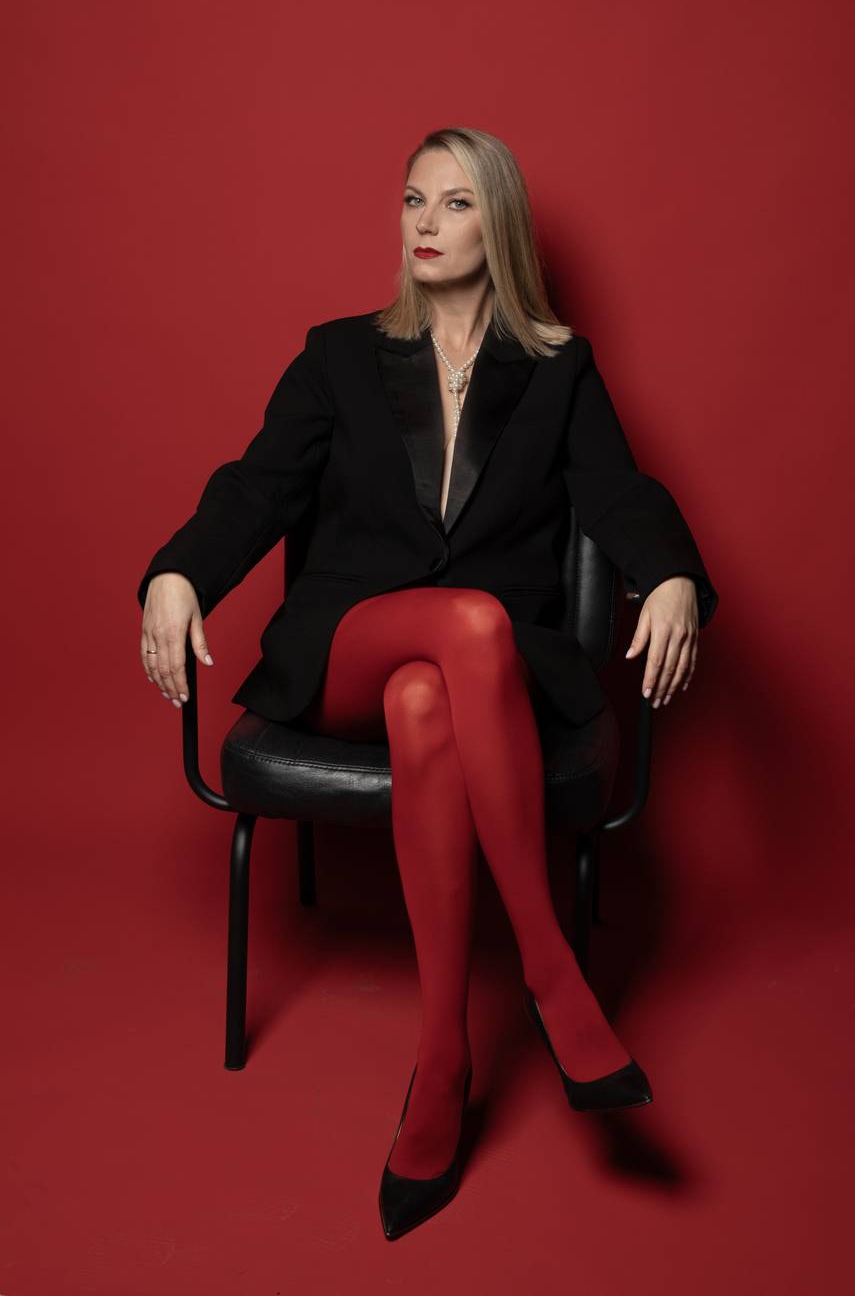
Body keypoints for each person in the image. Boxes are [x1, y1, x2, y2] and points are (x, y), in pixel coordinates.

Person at [137, 126, 719, 1240]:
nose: (425, 223)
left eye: (454, 203)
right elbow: (256, 487)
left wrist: (675, 576)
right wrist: (177, 572)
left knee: (430, 694)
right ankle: (551, 973)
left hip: (473, 682)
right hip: (345, 647)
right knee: (464, 625)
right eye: (413, 200)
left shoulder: (558, 372)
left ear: (499, 224)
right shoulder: (339, 357)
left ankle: (443, 1060)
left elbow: (619, 493)